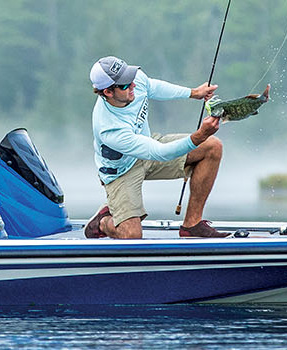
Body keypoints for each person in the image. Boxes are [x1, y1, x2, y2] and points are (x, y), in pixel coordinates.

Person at [85, 56, 227, 239]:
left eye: (130, 77)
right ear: (108, 92)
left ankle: (192, 225)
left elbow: (152, 87)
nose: (133, 85)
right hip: (121, 171)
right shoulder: (110, 129)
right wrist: (200, 135)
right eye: (124, 85)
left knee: (212, 147)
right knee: (131, 235)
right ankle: (103, 222)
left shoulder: (134, 80)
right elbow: (160, 153)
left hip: (147, 144)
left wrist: (194, 93)